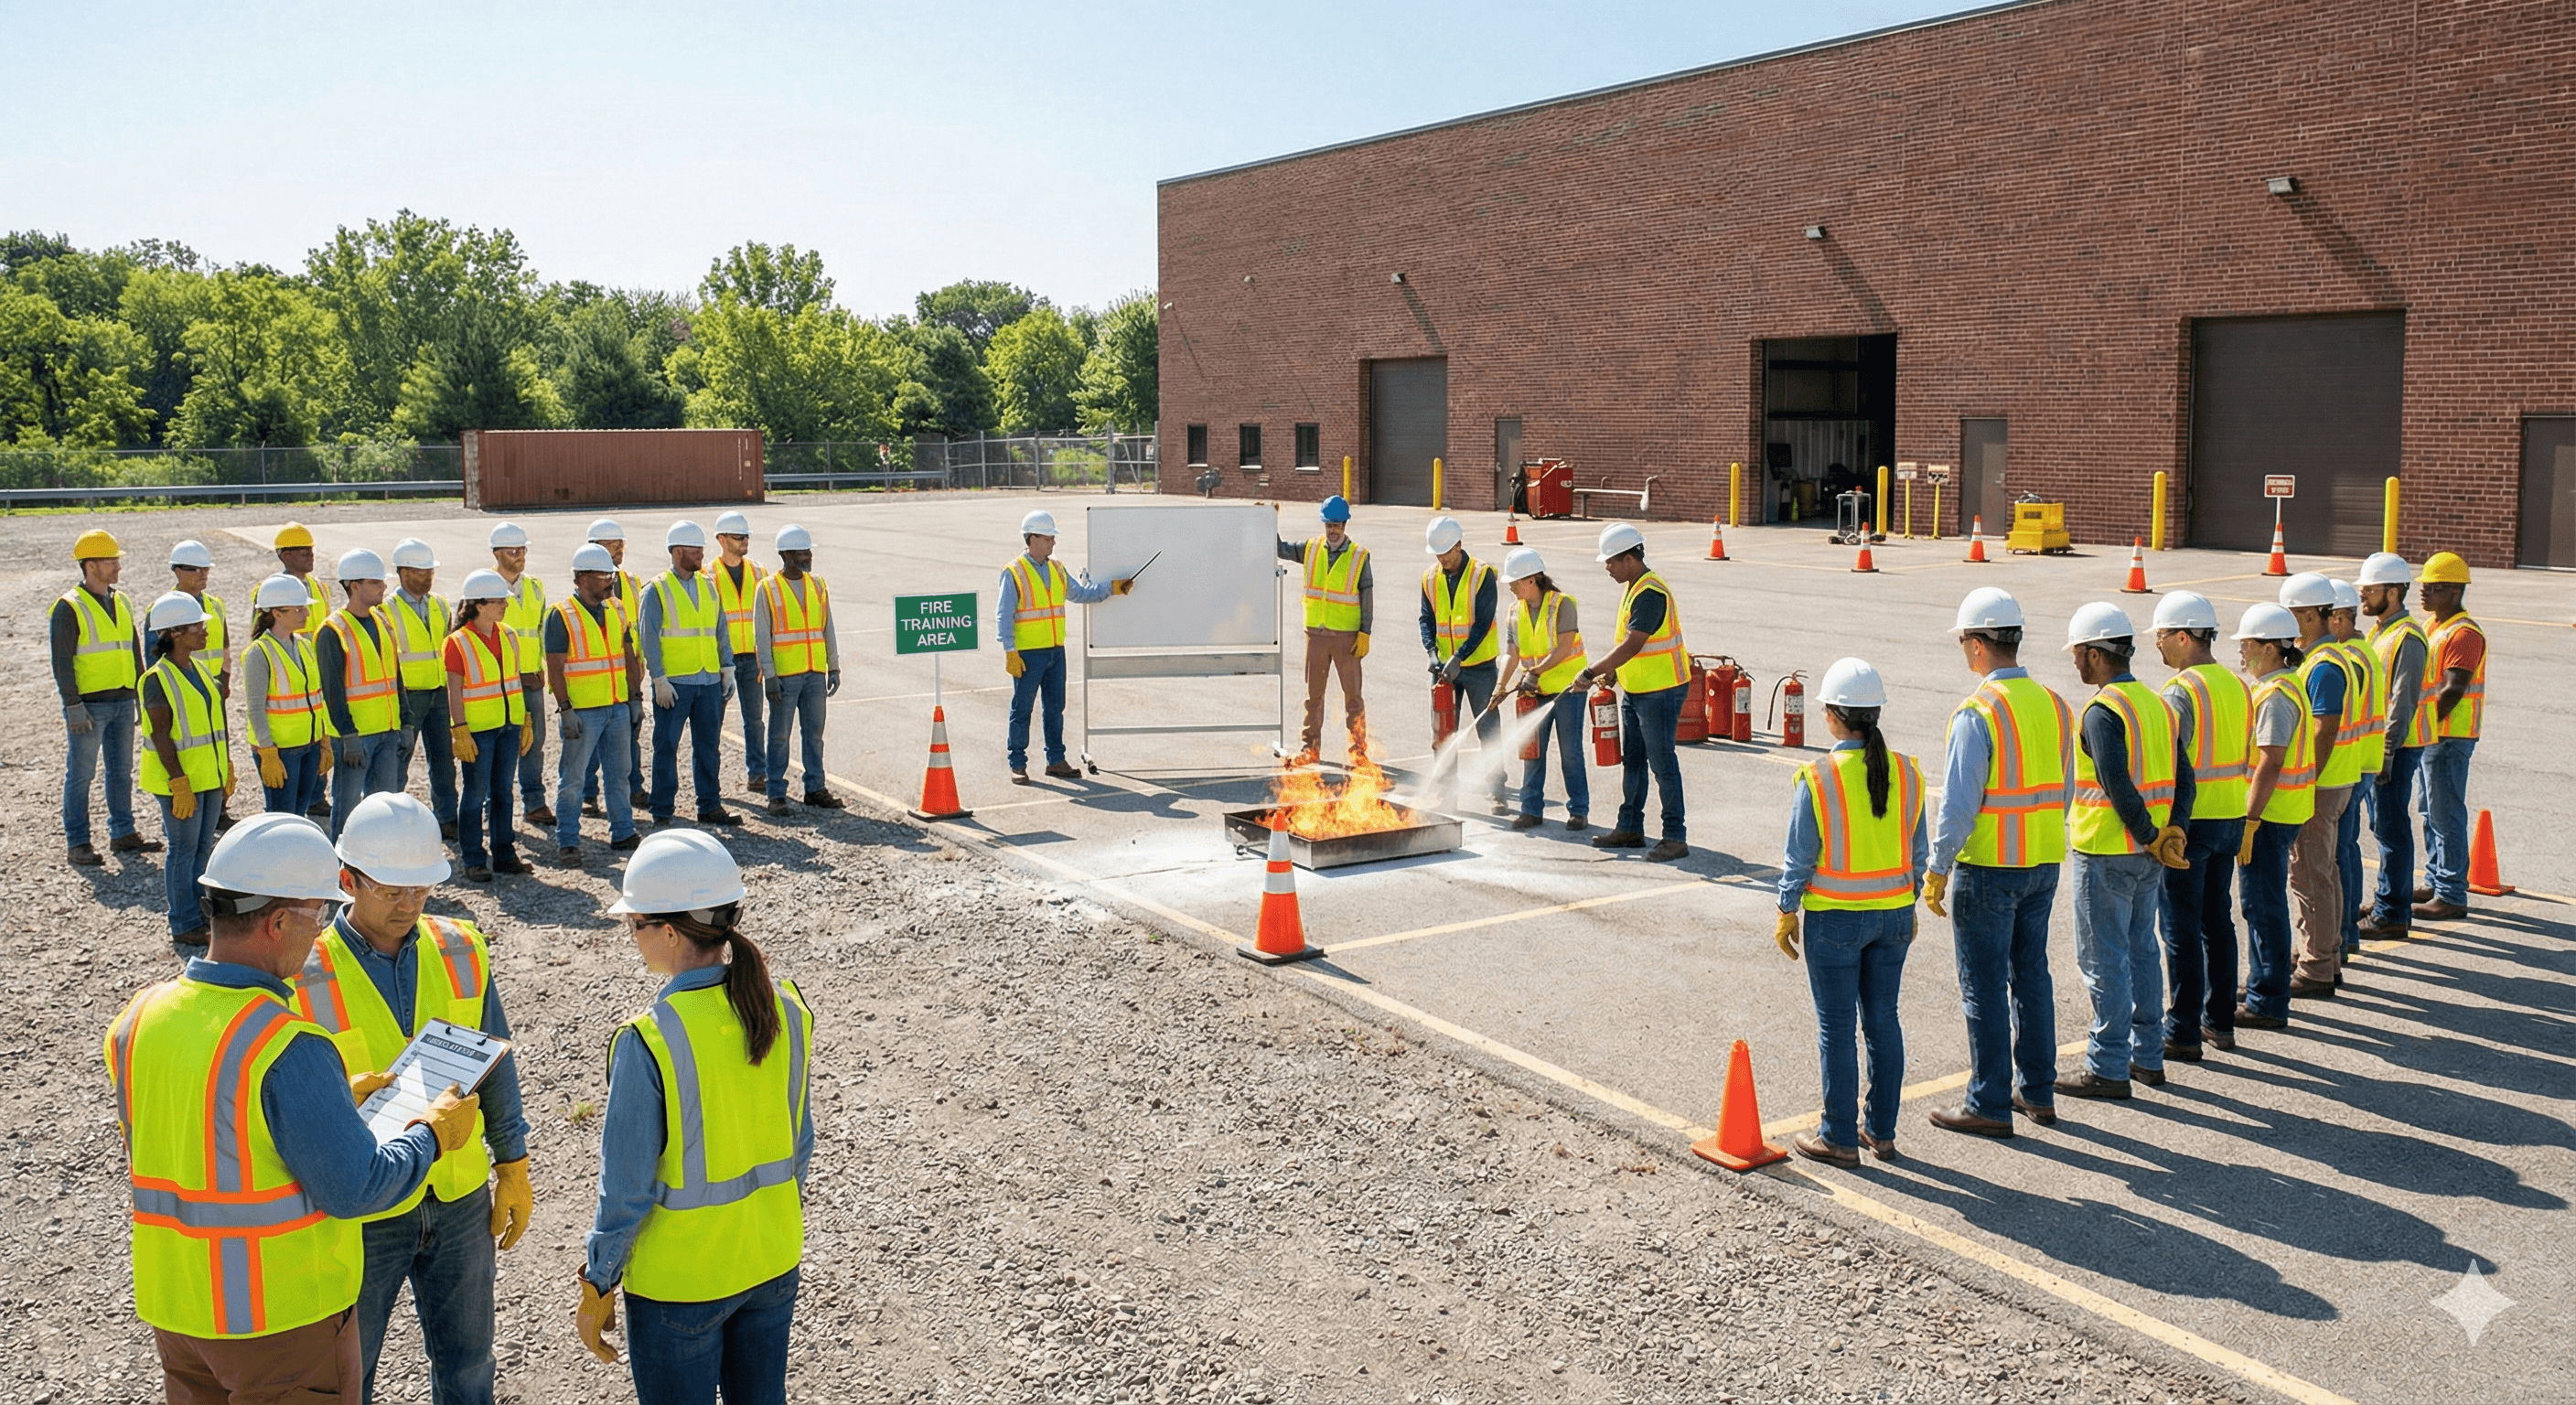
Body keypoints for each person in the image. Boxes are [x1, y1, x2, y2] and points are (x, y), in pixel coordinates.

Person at [104, 812, 475, 1404]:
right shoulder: (284, 1043)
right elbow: (359, 1188)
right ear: (278, 922)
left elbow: (206, 1134)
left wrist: (325, 1105)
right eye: (318, 914)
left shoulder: (139, 1018)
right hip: (280, 1323)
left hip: (177, 1312)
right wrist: (430, 1134)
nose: (321, 930)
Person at [293, 793, 531, 1405]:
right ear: (347, 880)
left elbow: (493, 1059)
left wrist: (513, 1164)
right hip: (366, 1206)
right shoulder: (303, 971)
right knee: (352, 1374)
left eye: (422, 889)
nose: (410, 904)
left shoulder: (459, 947)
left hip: (455, 1197)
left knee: (469, 1366)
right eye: (392, 890)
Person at [577, 831, 815, 1405]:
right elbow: (798, 1145)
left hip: (681, 1285)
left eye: (634, 924)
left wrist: (598, 1280)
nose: (631, 937)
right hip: (770, 1261)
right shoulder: (785, 1007)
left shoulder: (649, 1040)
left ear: (669, 931)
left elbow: (627, 1189)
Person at [1923, 587, 2071, 1137]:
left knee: (1983, 984)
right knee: (2031, 975)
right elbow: (2066, 789)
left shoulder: (1976, 712)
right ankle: (2037, 1092)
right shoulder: (2056, 705)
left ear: (1978, 644)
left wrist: (1938, 868)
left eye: (1965, 640)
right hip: (2044, 862)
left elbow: (1959, 806)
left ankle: (1988, 1101)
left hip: (1988, 867)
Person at [1772, 657, 1926, 1167]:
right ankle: (1880, 1131)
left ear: (1835, 717)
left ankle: (1837, 1136)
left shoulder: (1817, 777)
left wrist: (1786, 909)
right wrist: (1908, 897)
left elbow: (1800, 856)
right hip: (1895, 916)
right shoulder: (1907, 770)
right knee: (1884, 1021)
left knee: (1836, 1027)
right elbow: (1917, 850)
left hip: (1837, 919)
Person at [2061, 603, 2194, 1099]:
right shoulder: (2160, 705)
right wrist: (2171, 832)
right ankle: (2147, 1056)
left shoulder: (2102, 712)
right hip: (2150, 855)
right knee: (2141, 951)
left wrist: (2149, 832)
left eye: (2078, 653)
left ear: (2095, 654)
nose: (2075, 662)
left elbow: (2117, 785)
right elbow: (2186, 778)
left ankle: (2109, 1065)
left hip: (2107, 851)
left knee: (2104, 960)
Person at [2150, 590, 2251, 1059]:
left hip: (2192, 823)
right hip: (2232, 815)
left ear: (2185, 636)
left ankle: (2183, 1029)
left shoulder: (2181, 691)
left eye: (2164, 636)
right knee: (2217, 922)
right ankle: (2220, 1021)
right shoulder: (2237, 683)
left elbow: (2172, 763)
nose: (2158, 645)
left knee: (2180, 927)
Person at [1574, 522, 1689, 863]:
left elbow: (1633, 643)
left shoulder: (1650, 592)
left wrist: (1592, 671)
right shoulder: (1634, 587)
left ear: (1629, 557)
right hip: (1638, 689)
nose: (1607, 567)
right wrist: (1613, 672)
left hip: (1661, 691)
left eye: (1611, 561)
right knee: (1635, 762)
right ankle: (1630, 828)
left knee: (1662, 763)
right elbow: (1633, 649)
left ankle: (1675, 837)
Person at [2232, 604, 2315, 1032]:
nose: (2242, 652)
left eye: (2247, 644)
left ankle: (2267, 1000)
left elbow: (2270, 761)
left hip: (2270, 816)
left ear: (2270, 647)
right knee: (2262, 905)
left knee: (2262, 907)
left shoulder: (2275, 696)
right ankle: (2263, 981)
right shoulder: (2286, 684)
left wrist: (2249, 818)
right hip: (2286, 810)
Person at [1002, 509, 1131, 782]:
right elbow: (1004, 615)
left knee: (1055, 708)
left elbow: (1081, 594)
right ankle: (1017, 763)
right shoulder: (1014, 572)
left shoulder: (1057, 568)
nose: (1053, 543)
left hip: (1055, 653)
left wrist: (1113, 587)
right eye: (1049, 537)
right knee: (1022, 709)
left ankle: (1056, 761)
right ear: (1032, 538)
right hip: (1027, 655)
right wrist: (1010, 651)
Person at [55, 528, 156, 866]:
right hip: (89, 705)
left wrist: (141, 693)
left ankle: (122, 832)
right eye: (110, 561)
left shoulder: (121, 600)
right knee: (81, 774)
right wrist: (72, 705)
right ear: (90, 565)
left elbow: (133, 648)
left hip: (123, 700)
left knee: (120, 770)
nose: (117, 566)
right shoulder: (68, 607)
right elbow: (62, 661)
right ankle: (78, 842)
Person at [140, 592, 234, 956]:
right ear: (175, 632)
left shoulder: (198, 671)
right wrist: (179, 782)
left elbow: (213, 726)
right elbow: (160, 734)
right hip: (180, 780)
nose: (204, 630)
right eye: (197, 625)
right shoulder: (156, 679)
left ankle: (198, 912)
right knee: (183, 850)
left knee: (201, 848)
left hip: (207, 776)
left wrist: (225, 765)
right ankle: (183, 923)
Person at [549, 542, 646, 865]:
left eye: (611, 575)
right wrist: (565, 709)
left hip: (617, 706)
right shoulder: (562, 615)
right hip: (583, 712)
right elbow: (555, 667)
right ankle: (568, 840)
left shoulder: (617, 610)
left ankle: (623, 831)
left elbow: (629, 657)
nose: (610, 581)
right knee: (573, 778)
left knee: (620, 774)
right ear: (582, 578)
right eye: (604, 575)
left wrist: (635, 699)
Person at [2277, 573, 2350, 999]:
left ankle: (2318, 965)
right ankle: (2327, 954)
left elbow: (2324, 729)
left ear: (2307, 615)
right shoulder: (2325, 658)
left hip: (2320, 785)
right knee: (2323, 871)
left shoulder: (2322, 666)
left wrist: (2306, 782)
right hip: (2332, 780)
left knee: (2310, 874)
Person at [643, 521, 743, 827]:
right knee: (666, 747)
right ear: (677, 552)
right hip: (674, 685)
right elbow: (648, 637)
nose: (702, 554)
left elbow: (720, 629)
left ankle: (709, 806)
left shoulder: (708, 585)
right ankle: (661, 810)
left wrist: (727, 668)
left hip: (708, 681)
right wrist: (658, 678)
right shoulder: (656, 589)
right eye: (695, 549)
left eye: (701, 548)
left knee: (708, 749)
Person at [2356, 552, 2430, 937]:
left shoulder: (2408, 637)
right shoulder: (2381, 631)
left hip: (2397, 749)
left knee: (2392, 828)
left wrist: (2386, 752)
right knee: (2384, 826)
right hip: (2383, 748)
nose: (2363, 597)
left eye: (2369, 589)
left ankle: (2393, 913)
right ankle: (2389, 897)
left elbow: (2402, 701)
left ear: (2394, 591)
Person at [445, 571, 535, 882]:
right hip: (479, 731)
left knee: (503, 794)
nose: (505, 606)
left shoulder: (509, 635)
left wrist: (525, 719)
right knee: (474, 794)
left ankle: (504, 854)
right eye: (499, 602)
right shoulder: (457, 642)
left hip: (508, 726)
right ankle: (473, 859)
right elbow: (453, 690)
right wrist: (459, 729)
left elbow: (514, 681)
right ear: (479, 605)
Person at [1493, 546, 1589, 831]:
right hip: (1533, 692)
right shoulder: (1514, 611)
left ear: (1531, 580)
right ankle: (1531, 809)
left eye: (1514, 582)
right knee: (1531, 750)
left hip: (1568, 690)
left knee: (1570, 751)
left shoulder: (1563, 604)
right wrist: (1500, 685)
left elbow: (1563, 647)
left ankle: (1578, 810)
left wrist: (1535, 672)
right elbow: (1511, 652)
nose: (1510, 586)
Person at [2412, 552, 2485, 923]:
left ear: (2455, 592)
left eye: (2434, 588)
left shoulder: (2464, 633)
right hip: (2435, 735)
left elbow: (2453, 689)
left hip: (2450, 736)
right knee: (2430, 812)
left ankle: (2452, 893)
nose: (2424, 593)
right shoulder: (2432, 625)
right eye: (2424, 586)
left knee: (2446, 815)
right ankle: (2436, 879)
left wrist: (2422, 725)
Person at [1419, 516, 1509, 816]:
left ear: (1459, 544)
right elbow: (1426, 618)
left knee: (1489, 730)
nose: (1442, 558)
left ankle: (1497, 791)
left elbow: (1483, 622)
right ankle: (1446, 794)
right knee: (1443, 733)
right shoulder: (1429, 578)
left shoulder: (1483, 575)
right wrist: (1432, 653)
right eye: (1437, 553)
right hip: (1444, 670)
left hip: (1480, 667)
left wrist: (1461, 657)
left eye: (1446, 551)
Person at [1276, 496, 1372, 767]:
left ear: (1345, 524)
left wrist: (1365, 632)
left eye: (1337, 524)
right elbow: (1280, 548)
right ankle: (1310, 748)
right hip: (1316, 636)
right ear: (1324, 524)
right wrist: (1267, 520)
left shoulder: (1359, 556)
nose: (1333, 530)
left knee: (1353, 698)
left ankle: (1358, 752)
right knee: (1314, 697)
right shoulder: (1310, 548)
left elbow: (1367, 596)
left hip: (1347, 639)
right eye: (1329, 524)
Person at [756, 524, 843, 816]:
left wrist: (834, 666)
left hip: (815, 672)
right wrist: (768, 674)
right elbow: (762, 634)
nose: (808, 556)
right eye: (802, 552)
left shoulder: (817, 584)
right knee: (779, 736)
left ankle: (815, 788)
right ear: (786, 554)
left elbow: (827, 626)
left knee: (814, 733)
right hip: (784, 675)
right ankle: (776, 793)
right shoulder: (767, 588)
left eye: (808, 551)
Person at [319, 548, 403, 839]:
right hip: (355, 737)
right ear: (354, 586)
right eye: (376, 583)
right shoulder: (333, 630)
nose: (383, 588)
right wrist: (347, 735)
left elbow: (396, 677)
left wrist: (405, 721)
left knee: (384, 808)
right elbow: (332, 691)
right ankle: (342, 867)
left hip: (387, 731)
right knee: (348, 809)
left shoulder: (383, 622)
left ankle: (376, 867)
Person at [2323, 577, 2385, 965]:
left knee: (2338, 853)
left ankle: (2343, 933)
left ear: (2341, 618)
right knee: (2345, 849)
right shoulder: (2362, 653)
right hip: (2361, 761)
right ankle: (2346, 933)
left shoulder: (2349, 660)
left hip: (2351, 765)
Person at [386, 539, 461, 841]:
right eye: (421, 572)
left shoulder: (440, 604)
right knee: (398, 759)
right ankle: (387, 820)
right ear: (403, 572)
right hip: (407, 695)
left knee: (444, 759)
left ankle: (447, 818)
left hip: (439, 692)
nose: (429, 577)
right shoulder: (387, 609)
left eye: (431, 571)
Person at [245, 574, 332, 818]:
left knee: (299, 814)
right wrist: (268, 752)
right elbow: (255, 708)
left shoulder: (304, 646)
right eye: (299, 609)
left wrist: (323, 739)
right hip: (281, 751)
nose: (306, 614)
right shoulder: (258, 653)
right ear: (277, 613)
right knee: (281, 817)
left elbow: (317, 697)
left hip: (309, 745)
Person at [581, 518, 650, 815]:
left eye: (621, 543)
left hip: (629, 669)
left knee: (631, 729)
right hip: (599, 674)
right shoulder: (585, 589)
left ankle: (634, 785)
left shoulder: (632, 582)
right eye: (613, 543)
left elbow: (638, 626)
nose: (620, 548)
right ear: (595, 547)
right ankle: (588, 792)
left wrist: (640, 663)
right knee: (593, 734)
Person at [488, 522, 555, 829]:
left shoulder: (535, 587)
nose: (519, 556)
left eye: (522, 550)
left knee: (534, 741)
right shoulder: (485, 587)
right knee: (499, 744)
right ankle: (494, 806)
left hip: (530, 679)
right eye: (512, 551)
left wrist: (542, 670)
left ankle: (535, 802)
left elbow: (541, 632)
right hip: (497, 684)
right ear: (496, 553)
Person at [713, 510, 768, 797]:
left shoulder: (759, 572)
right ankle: (711, 781)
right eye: (738, 537)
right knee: (714, 722)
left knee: (755, 721)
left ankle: (758, 774)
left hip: (752, 658)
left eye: (746, 536)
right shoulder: (707, 575)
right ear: (722, 540)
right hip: (722, 661)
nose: (745, 541)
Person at [167, 541, 231, 697]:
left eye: (205, 568)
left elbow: (226, 650)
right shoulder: (166, 608)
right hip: (185, 685)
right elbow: (156, 656)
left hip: (214, 683)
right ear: (178, 571)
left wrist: (225, 681)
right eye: (195, 569)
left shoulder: (216, 605)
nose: (202, 574)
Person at [274, 521, 330, 638]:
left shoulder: (320, 587)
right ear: (286, 557)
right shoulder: (273, 590)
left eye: (311, 552)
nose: (311, 557)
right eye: (305, 554)